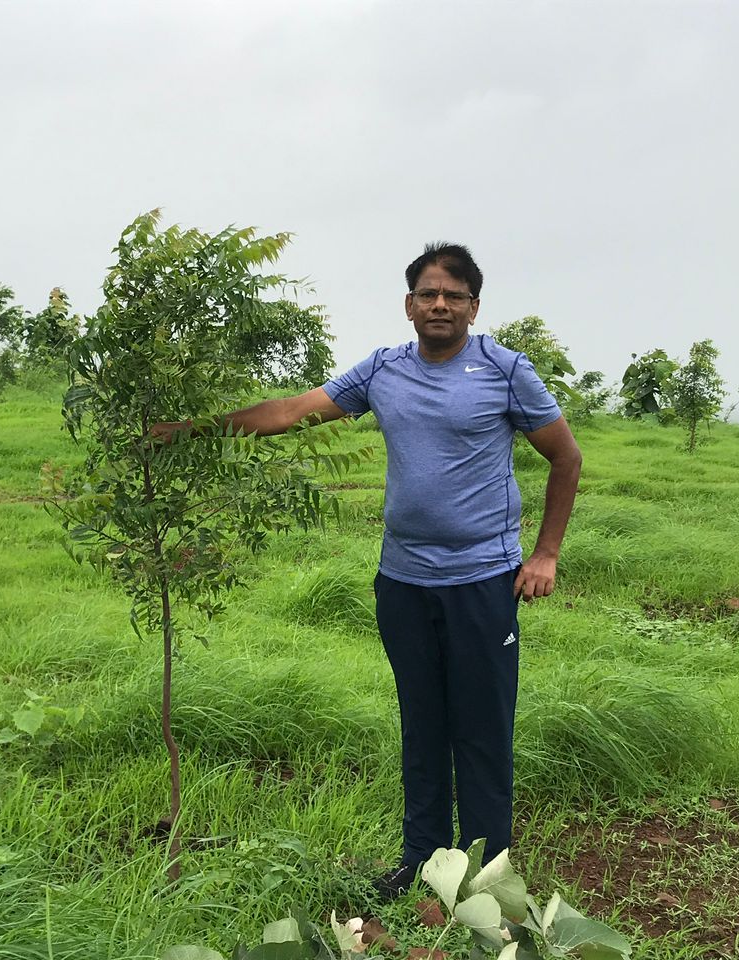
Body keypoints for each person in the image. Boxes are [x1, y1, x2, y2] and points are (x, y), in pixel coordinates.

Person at [152, 243, 581, 899]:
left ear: (473, 307)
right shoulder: (382, 370)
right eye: (429, 294)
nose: (440, 305)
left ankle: (489, 877)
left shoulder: (505, 370)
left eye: (454, 295)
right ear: (409, 304)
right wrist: (192, 429)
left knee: (482, 731)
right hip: (403, 585)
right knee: (422, 724)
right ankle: (421, 859)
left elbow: (566, 456)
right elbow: (292, 412)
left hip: (481, 584)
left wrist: (545, 553)